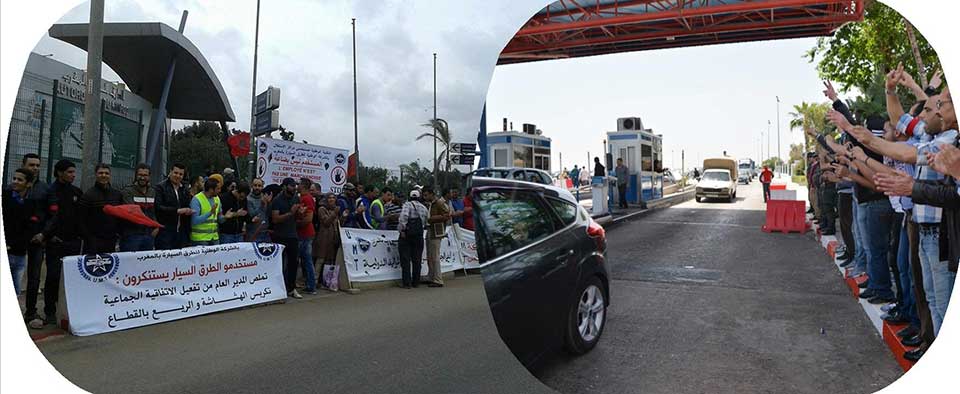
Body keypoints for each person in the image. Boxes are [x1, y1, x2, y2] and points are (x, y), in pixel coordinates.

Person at [26, 160, 83, 328]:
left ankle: (67, 309)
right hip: (55, 242)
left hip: (73, 242)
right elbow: (46, 217)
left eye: (74, 172)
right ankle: (50, 311)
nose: (73, 175)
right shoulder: (50, 192)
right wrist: (48, 236)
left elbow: (79, 217)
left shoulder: (76, 192)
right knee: (52, 277)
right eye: (70, 172)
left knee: (70, 278)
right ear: (59, 173)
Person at [4, 168, 39, 295]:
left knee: (16, 291)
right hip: (7, 251)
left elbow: (31, 227)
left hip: (20, 254)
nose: (15, 182)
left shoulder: (31, 203)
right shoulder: (5, 198)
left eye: (19, 179)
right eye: (14, 178)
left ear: (28, 184)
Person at [20, 154, 48, 303]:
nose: (35, 168)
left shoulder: (44, 188)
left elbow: (49, 214)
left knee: (34, 277)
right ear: (24, 165)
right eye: (31, 165)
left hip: (37, 239)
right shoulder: (13, 187)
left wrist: (43, 234)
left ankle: (31, 312)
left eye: (37, 165)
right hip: (16, 239)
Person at [272, 177, 306, 298]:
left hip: (292, 235)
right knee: (279, 264)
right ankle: (278, 288)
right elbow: (275, 219)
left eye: (295, 186)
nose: (294, 188)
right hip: (279, 236)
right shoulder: (277, 200)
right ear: (285, 186)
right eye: (292, 186)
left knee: (293, 263)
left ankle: (291, 288)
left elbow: (297, 217)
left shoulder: (296, 198)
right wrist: (291, 213)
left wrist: (300, 213)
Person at [80, 163, 123, 253]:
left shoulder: (117, 195)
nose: (104, 175)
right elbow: (81, 220)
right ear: (96, 175)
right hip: (93, 242)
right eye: (101, 173)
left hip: (111, 240)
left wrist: (117, 234)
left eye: (106, 173)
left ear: (110, 175)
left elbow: (120, 217)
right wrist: (89, 238)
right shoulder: (88, 195)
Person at [190, 178, 241, 246]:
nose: (220, 191)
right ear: (211, 189)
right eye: (218, 189)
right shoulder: (196, 199)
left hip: (214, 238)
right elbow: (194, 221)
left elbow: (219, 219)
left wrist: (225, 217)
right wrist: (209, 213)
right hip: (200, 239)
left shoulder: (217, 199)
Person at [120, 163, 158, 252]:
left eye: (145, 175)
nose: (142, 177)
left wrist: (156, 227)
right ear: (136, 175)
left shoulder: (152, 192)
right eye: (140, 175)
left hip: (149, 235)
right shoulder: (127, 191)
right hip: (132, 236)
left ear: (149, 177)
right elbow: (133, 214)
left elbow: (153, 212)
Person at [154, 163, 194, 249]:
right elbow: (158, 207)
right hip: (165, 231)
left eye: (181, 174)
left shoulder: (185, 189)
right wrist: (177, 211)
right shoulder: (160, 187)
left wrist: (189, 211)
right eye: (176, 173)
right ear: (170, 172)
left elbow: (187, 205)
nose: (178, 176)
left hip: (182, 232)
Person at [397, 189, 428, 288]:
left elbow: (403, 217)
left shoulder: (407, 205)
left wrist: (402, 230)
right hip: (418, 236)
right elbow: (426, 221)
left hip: (407, 235)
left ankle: (407, 283)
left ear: (410, 197)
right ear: (419, 197)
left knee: (405, 259)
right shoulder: (424, 208)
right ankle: (416, 282)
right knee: (417, 259)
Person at [423, 187, 451, 287]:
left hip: (436, 231)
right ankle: (431, 276)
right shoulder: (431, 204)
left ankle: (438, 279)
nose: (425, 197)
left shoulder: (439, 203)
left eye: (426, 195)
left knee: (434, 256)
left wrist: (433, 219)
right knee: (430, 256)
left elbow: (447, 215)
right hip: (430, 230)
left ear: (431, 194)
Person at [296, 178, 318, 295]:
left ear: (303, 186)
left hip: (305, 234)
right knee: (305, 261)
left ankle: (311, 285)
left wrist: (295, 223)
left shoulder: (307, 199)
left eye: (299, 184)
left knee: (307, 261)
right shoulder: (302, 198)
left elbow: (308, 219)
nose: (297, 186)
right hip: (303, 234)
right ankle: (309, 284)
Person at [315, 192, 341, 288]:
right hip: (323, 238)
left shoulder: (335, 210)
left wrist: (343, 216)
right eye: (329, 198)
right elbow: (326, 222)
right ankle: (314, 281)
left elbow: (337, 224)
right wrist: (334, 213)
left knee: (328, 261)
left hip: (332, 239)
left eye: (333, 198)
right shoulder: (322, 209)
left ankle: (325, 281)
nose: (331, 199)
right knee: (320, 260)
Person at [245, 178, 273, 242]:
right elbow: (252, 214)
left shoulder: (265, 197)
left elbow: (269, 214)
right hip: (253, 233)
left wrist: (269, 203)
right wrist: (262, 204)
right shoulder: (248, 199)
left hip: (265, 232)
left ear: (262, 187)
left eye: (259, 186)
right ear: (252, 186)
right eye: (255, 185)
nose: (257, 188)